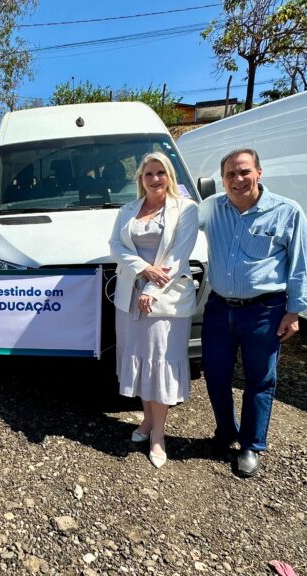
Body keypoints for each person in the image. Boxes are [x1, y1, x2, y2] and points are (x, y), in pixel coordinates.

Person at [199, 149, 307, 478]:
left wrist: (294, 311)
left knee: (260, 380)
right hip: (220, 308)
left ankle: (251, 446)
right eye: (230, 175)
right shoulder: (211, 209)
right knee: (216, 376)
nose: (237, 179)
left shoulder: (286, 211)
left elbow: (302, 265)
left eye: (244, 172)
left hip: (265, 311)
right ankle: (225, 432)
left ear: (259, 173)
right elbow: (174, 222)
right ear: (222, 180)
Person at [109, 153, 199, 468]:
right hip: (129, 299)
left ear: (169, 176)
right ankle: (147, 422)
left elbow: (178, 254)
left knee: (160, 365)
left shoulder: (186, 210)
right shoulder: (127, 210)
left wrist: (151, 287)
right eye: (149, 173)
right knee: (142, 363)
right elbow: (116, 247)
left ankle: (159, 436)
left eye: (161, 172)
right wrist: (144, 268)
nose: (155, 178)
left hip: (167, 301)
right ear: (141, 179)